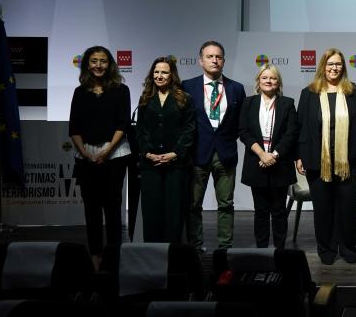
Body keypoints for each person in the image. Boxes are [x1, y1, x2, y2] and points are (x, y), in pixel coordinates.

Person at [296, 48, 356, 264]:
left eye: (338, 64)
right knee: (323, 208)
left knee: (348, 208)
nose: (334, 68)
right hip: (318, 161)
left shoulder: (352, 91)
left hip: (347, 161)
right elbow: (301, 127)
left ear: (343, 67)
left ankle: (347, 248)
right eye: (330, 64)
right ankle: (326, 249)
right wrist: (299, 157)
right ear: (323, 67)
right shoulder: (309, 93)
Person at [69, 46, 132, 267]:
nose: (98, 65)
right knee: (91, 209)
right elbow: (74, 127)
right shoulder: (80, 91)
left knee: (112, 208)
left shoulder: (121, 90)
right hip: (86, 155)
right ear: (87, 64)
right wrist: (85, 153)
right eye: (94, 61)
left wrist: (107, 151)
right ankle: (95, 256)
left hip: (114, 155)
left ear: (110, 64)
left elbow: (123, 124)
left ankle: (114, 257)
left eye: (103, 61)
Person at [182, 41, 246, 252]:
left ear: (224, 61)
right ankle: (195, 246)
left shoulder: (236, 88)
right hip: (197, 154)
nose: (214, 60)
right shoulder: (187, 87)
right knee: (193, 205)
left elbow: (242, 123)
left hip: (226, 154)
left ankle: (224, 248)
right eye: (209, 56)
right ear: (201, 61)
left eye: (218, 57)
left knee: (226, 205)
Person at [238, 63, 299, 249]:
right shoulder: (248, 103)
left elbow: (291, 133)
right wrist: (262, 154)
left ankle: (280, 250)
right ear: (258, 81)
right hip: (256, 163)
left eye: (272, 78)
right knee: (261, 211)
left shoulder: (287, 103)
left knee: (279, 211)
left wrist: (273, 155)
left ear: (278, 82)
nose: (268, 81)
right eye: (264, 77)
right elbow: (243, 131)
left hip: (279, 164)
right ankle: (262, 249)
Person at [136, 56, 195, 243]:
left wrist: (175, 153)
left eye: (164, 72)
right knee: (151, 213)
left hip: (176, 165)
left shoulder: (184, 98)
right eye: (156, 72)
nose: (159, 76)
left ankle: (173, 260)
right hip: (150, 164)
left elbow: (189, 129)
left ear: (172, 75)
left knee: (174, 213)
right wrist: (147, 153)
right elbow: (141, 130)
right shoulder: (145, 98)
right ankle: (153, 258)